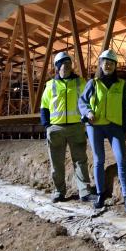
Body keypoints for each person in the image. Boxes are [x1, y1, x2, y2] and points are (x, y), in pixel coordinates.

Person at [78, 49, 126, 214]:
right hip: (95, 126)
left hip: (115, 126)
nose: (108, 65)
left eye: (111, 63)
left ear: (115, 66)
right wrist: (87, 112)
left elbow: (125, 108)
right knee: (99, 160)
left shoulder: (121, 84)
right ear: (101, 63)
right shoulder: (93, 83)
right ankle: (100, 194)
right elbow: (82, 102)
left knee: (122, 160)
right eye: (105, 62)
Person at [40, 52, 95, 203]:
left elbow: (89, 100)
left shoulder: (80, 82)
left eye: (69, 64)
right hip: (56, 129)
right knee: (57, 163)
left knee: (80, 161)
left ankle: (84, 192)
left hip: (76, 127)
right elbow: (44, 106)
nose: (66, 67)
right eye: (63, 65)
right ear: (57, 67)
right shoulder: (50, 85)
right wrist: (47, 126)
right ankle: (59, 192)